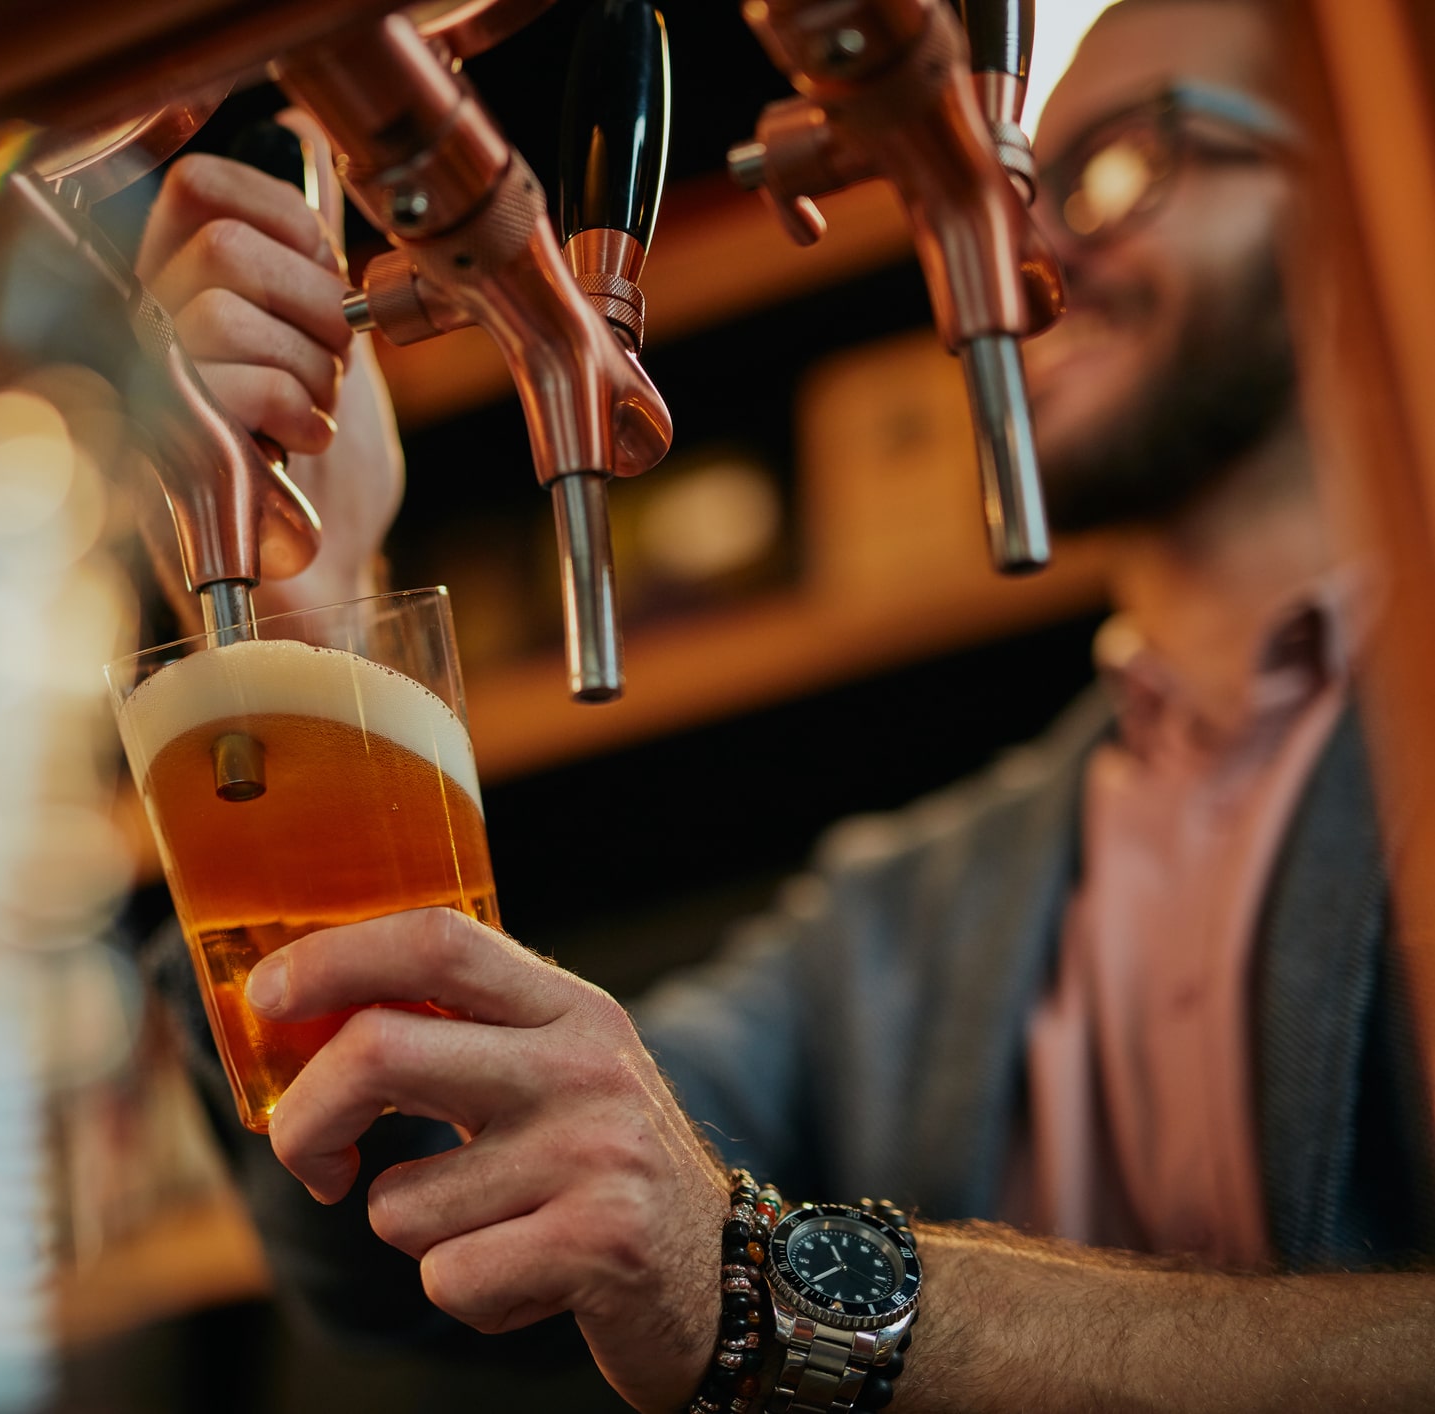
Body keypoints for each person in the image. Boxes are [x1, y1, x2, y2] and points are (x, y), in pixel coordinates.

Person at [132, 1, 1435, 1409]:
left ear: (1368, 177)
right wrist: (307, 624)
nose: (1033, 245)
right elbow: (448, 1241)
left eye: (1124, 167)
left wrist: (762, 1277)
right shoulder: (905, 910)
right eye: (1021, 188)